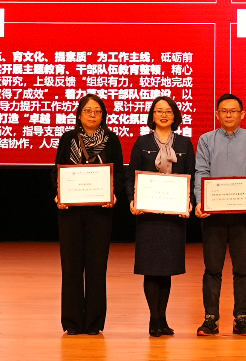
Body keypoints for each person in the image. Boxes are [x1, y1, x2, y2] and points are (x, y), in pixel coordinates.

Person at [52, 94, 125, 336]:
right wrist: (59, 193)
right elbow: (57, 171)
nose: (92, 115)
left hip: (100, 213)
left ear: (103, 115)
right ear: (79, 114)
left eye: (97, 111)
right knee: (71, 267)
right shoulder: (68, 139)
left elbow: (119, 174)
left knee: (96, 267)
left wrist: (113, 193)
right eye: (87, 111)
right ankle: (72, 322)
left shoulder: (112, 140)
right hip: (70, 212)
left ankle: (94, 322)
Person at [193, 93, 246, 336]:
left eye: (234, 111)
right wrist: (201, 201)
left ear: (242, 114)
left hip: (243, 214)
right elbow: (201, 171)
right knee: (212, 268)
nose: (229, 115)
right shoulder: (206, 140)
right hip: (213, 215)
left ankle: (241, 317)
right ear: (217, 114)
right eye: (224, 111)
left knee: (243, 269)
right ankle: (211, 318)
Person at [126, 96, 196, 337]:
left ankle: (162, 318)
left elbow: (191, 176)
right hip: (148, 216)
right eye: (159, 111)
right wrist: (133, 200)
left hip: (173, 216)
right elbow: (131, 176)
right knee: (150, 267)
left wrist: (189, 201)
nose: (163, 115)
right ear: (152, 115)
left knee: (167, 268)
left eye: (168, 111)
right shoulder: (142, 142)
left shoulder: (185, 143)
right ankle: (153, 318)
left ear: (175, 115)